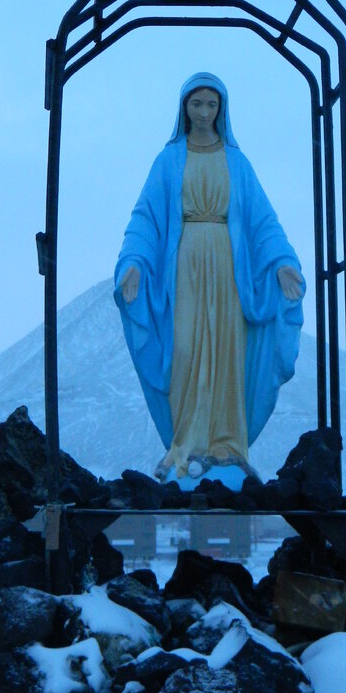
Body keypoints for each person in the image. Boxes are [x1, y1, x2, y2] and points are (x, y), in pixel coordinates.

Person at [114, 71, 304, 489]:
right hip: (183, 269)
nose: (203, 112)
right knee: (183, 349)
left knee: (226, 353)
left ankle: (225, 446)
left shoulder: (237, 162)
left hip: (227, 268)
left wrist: (280, 261)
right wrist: (134, 263)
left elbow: (262, 221)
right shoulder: (168, 160)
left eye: (211, 105)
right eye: (196, 104)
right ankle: (185, 446)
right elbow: (144, 219)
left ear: (222, 109)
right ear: (184, 108)